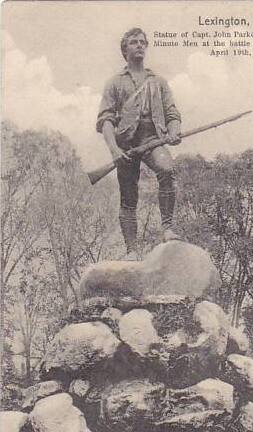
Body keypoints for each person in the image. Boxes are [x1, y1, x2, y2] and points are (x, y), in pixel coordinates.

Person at [96, 27, 182, 259]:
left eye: (143, 42)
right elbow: (105, 121)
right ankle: (132, 250)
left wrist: (174, 131)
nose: (139, 45)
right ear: (125, 49)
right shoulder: (114, 83)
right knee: (128, 196)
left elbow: (172, 114)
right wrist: (114, 150)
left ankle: (168, 229)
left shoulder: (159, 82)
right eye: (134, 42)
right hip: (125, 145)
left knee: (167, 169)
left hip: (153, 139)